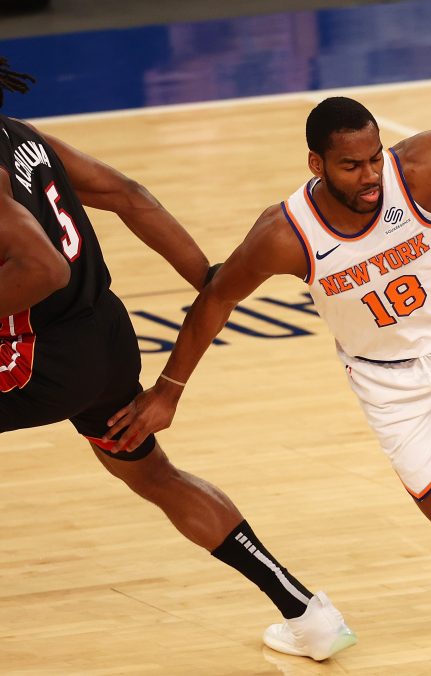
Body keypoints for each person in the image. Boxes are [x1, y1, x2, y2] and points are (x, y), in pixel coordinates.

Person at [103, 93, 431, 652]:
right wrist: (168, 390)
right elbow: (216, 298)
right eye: (351, 165)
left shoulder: (419, 169)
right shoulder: (286, 234)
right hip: (389, 385)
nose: (371, 175)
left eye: (375, 158)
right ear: (317, 164)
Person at [0, 58, 356, 662]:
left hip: (41, 359)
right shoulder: (23, 137)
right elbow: (128, 195)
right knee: (154, 475)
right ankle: (306, 612)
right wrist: (209, 284)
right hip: (107, 336)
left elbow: (43, 268)